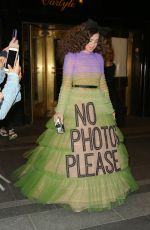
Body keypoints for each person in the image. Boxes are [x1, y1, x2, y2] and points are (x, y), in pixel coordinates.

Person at [12, 19, 138, 212]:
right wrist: (59, 111)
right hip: (75, 105)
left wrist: (110, 107)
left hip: (97, 106)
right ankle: (73, 196)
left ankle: (98, 193)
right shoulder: (71, 57)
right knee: (76, 150)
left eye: (96, 41)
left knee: (97, 149)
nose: (93, 44)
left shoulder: (98, 58)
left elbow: (103, 85)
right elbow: (65, 86)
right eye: (90, 40)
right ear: (81, 38)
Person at [104, 37, 124, 127]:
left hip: (111, 87)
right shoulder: (100, 62)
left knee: (116, 106)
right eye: (106, 49)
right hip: (104, 87)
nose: (108, 52)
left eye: (109, 50)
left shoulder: (112, 64)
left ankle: (114, 124)